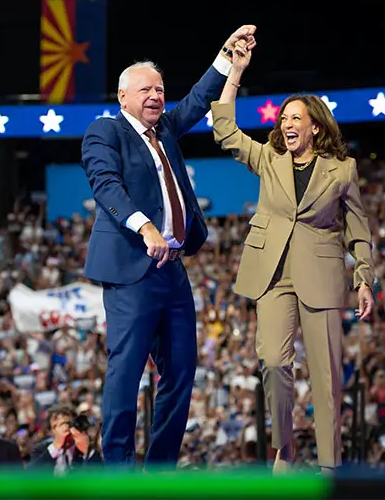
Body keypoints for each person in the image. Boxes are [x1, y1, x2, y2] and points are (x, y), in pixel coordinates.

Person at [80, 25, 257, 469]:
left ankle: (158, 470)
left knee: (180, 374)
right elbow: (106, 185)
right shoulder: (105, 132)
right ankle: (118, 471)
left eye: (159, 89)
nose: (156, 96)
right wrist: (144, 227)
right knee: (127, 370)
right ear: (123, 97)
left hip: (173, 270)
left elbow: (198, 99)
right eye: (145, 90)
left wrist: (226, 55)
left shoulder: (167, 131)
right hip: (132, 269)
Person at [210, 39, 374, 474]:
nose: (287, 124)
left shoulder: (343, 170)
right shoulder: (269, 159)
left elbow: (358, 229)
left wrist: (364, 278)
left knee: (326, 379)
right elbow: (224, 129)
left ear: (315, 127)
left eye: (295, 118)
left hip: (321, 276)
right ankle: (284, 447)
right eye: (283, 119)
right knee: (273, 363)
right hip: (272, 276)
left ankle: (329, 466)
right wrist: (235, 72)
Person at [29, 407, 103, 474]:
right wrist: (55, 447)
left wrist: (87, 451)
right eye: (56, 426)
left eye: (68, 423)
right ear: (51, 431)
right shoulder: (42, 450)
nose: (64, 428)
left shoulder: (84, 449)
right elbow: (29, 476)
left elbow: (100, 476)